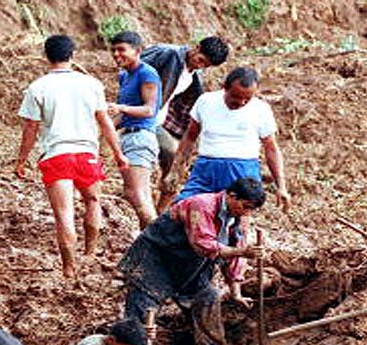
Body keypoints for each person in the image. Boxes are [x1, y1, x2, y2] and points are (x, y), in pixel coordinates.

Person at [118, 177, 266, 345]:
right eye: (245, 206)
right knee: (143, 311)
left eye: (252, 209)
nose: (247, 212)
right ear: (231, 195)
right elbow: (203, 244)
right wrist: (241, 251)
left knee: (208, 296)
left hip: (190, 266)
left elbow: (236, 253)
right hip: (155, 260)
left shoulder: (239, 218)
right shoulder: (201, 205)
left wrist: (236, 290)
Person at [15, 34, 127, 277]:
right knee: (92, 201)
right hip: (87, 153)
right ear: (73, 55)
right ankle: (90, 253)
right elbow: (105, 122)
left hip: (56, 155)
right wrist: (118, 153)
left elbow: (30, 129)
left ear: (46, 56)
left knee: (64, 213)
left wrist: (21, 160)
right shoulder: (91, 84)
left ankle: (68, 268)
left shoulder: (37, 87)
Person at [162, 67, 290, 210]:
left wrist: (281, 186)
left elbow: (271, 148)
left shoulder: (260, 109)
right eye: (236, 97)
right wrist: (175, 170)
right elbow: (190, 138)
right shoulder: (206, 101)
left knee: (235, 219)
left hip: (243, 170)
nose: (241, 103)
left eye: (247, 99)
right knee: (183, 208)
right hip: (206, 168)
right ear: (225, 88)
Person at [140, 36, 230, 212]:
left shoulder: (194, 74)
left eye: (206, 65)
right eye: (201, 60)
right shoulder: (168, 54)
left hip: (156, 120)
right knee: (151, 159)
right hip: (140, 116)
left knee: (174, 161)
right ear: (196, 48)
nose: (200, 66)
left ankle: (160, 210)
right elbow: (133, 67)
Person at [106, 31, 162, 227]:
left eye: (122, 50)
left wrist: (121, 108)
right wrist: (105, 128)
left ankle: (157, 242)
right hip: (129, 136)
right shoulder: (125, 76)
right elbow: (126, 115)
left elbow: (149, 109)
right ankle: (151, 245)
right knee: (142, 196)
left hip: (140, 137)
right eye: (113, 50)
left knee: (135, 194)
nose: (116, 54)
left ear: (138, 51)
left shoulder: (147, 74)